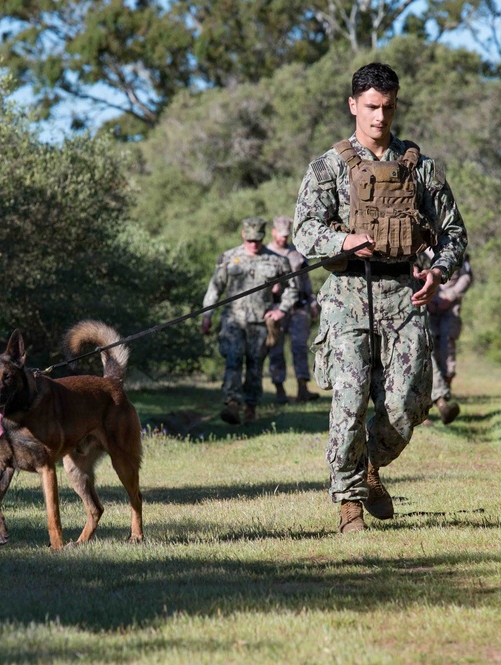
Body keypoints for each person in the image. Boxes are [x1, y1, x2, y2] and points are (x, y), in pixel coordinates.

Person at [293, 62, 467, 533]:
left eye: (387, 107)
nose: (379, 117)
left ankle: (369, 463)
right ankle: (348, 499)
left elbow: (453, 233)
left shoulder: (420, 168)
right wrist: (342, 242)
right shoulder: (328, 167)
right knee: (349, 401)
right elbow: (304, 230)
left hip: (404, 297)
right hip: (348, 294)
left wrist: (437, 270)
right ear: (353, 105)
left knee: (410, 405)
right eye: (371, 107)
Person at [201, 217, 298, 425]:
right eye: (250, 240)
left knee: (255, 366)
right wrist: (207, 315)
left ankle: (251, 407)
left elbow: (292, 288)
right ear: (243, 235)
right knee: (233, 360)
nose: (254, 244)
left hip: (260, 323)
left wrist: (280, 310)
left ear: (263, 237)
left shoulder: (277, 261)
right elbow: (215, 288)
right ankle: (232, 404)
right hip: (233, 321)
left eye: (258, 240)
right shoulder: (228, 258)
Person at [266, 215, 320, 404]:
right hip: (276, 307)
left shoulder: (297, 253)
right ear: (273, 233)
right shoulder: (266, 254)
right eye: (280, 235)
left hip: (298, 308)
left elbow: (305, 281)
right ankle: (279, 390)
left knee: (299, 347)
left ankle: (302, 388)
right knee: (276, 349)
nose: (283, 238)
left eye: (286, 235)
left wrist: (312, 302)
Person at [427, 253, 472, 424]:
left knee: (447, 358)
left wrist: (450, 296)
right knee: (427, 355)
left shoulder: (455, 245)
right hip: (426, 306)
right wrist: (428, 297)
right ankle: (437, 405)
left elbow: (466, 276)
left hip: (450, 310)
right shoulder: (420, 246)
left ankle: (443, 402)